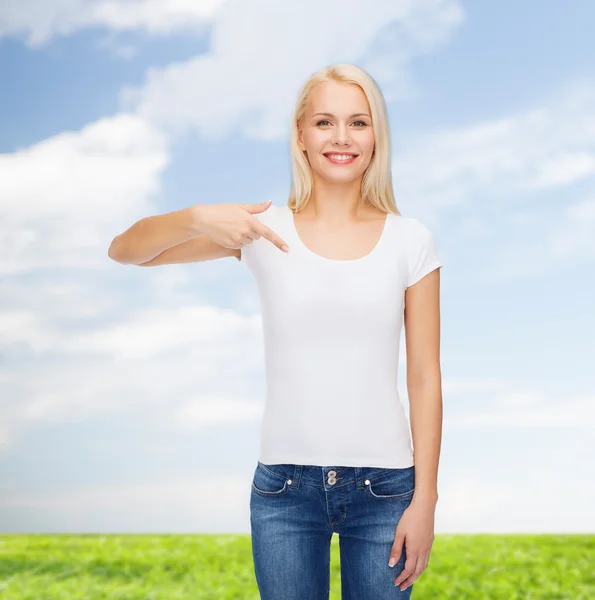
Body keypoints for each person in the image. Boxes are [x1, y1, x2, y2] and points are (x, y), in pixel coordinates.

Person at [108, 63, 443, 599]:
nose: (340, 137)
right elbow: (125, 251)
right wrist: (197, 216)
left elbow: (425, 376)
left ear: (377, 135)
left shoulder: (411, 240)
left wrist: (424, 498)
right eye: (324, 122)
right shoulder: (263, 230)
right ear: (301, 136)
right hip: (285, 491)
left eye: (358, 122)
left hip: (386, 491)